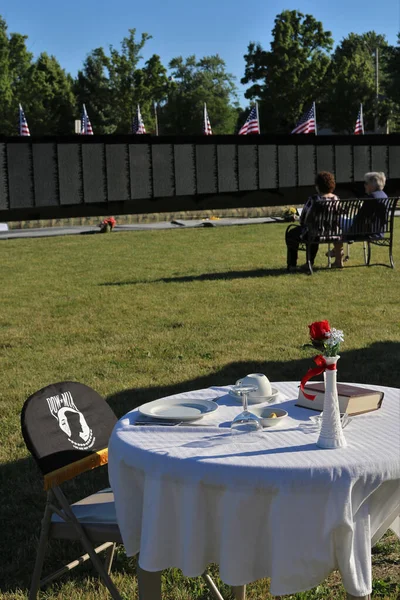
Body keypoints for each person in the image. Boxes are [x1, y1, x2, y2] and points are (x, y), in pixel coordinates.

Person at [286, 171, 342, 271]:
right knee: (312, 231)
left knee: (292, 233)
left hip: (315, 234)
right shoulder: (336, 198)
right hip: (333, 233)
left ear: (318, 186)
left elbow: (303, 219)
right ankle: (309, 262)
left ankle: (293, 264)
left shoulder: (313, 199)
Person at [349, 172, 389, 239]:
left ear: (372, 185)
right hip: (380, 232)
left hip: (366, 232)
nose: (364, 185)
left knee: (339, 221)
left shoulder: (372, 197)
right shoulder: (384, 195)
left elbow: (361, 217)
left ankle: (337, 249)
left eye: (366, 183)